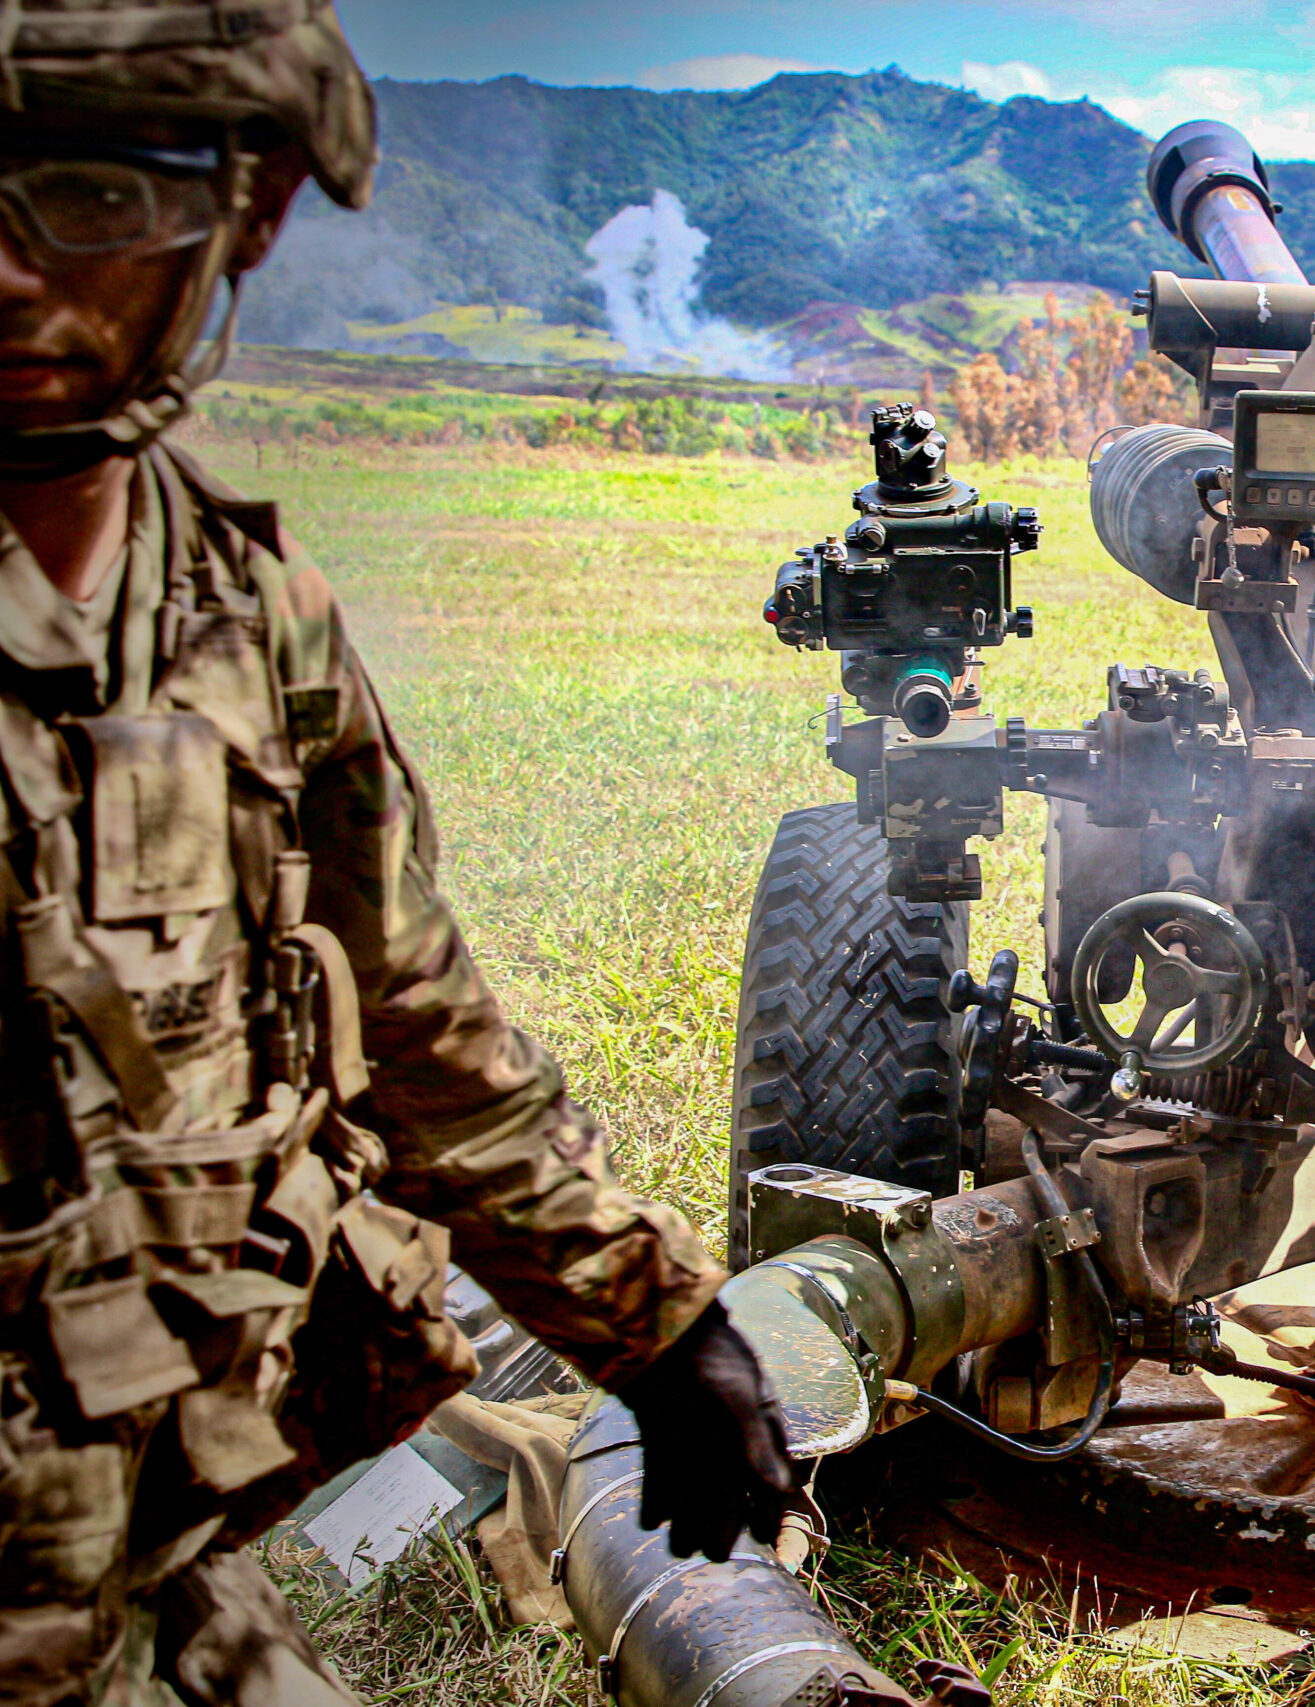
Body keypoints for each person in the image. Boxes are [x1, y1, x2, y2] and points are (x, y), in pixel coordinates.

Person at [0, 5, 796, 1701]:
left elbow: (413, 1018)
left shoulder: (231, 608)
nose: (6, 271)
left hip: (142, 1547)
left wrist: (656, 1330)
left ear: (251, 210)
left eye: (79, 199)